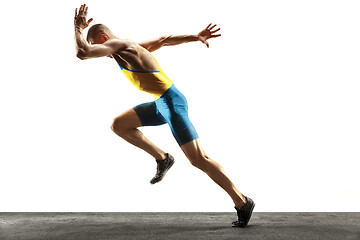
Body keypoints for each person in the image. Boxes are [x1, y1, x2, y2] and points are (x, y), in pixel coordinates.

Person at [74, 4, 255, 227]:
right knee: (119, 125)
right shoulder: (131, 48)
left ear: (104, 37)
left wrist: (77, 28)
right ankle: (163, 158)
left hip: (172, 102)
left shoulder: (119, 45)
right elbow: (164, 39)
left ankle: (242, 201)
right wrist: (195, 36)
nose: (100, 53)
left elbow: (82, 53)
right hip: (161, 103)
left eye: (98, 46)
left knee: (199, 159)